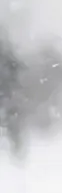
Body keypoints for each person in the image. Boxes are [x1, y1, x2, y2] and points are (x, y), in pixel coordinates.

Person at [0, 30, 25, 160]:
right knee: (12, 122)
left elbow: (18, 68)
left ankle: (15, 150)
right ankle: (15, 149)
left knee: (11, 122)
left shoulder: (7, 56)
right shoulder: (8, 56)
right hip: (7, 95)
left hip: (7, 95)